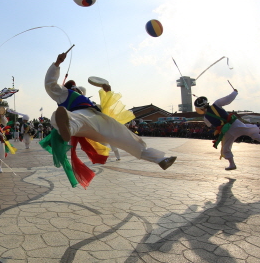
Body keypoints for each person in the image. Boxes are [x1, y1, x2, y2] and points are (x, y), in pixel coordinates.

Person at [45, 51, 176, 177]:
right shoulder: (64, 94)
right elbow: (50, 84)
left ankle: (160, 160)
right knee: (69, 117)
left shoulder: (91, 103)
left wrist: (108, 92)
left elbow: (107, 108)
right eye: (74, 88)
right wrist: (57, 63)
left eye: (77, 89)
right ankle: (67, 129)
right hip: (79, 119)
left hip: (98, 121)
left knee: (128, 138)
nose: (76, 89)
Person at [193, 89, 260, 171]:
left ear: (200, 108)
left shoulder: (205, 118)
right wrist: (235, 92)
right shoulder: (216, 104)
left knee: (225, 148)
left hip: (227, 131)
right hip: (233, 125)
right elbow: (228, 99)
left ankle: (232, 164)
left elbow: (210, 125)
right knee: (249, 130)